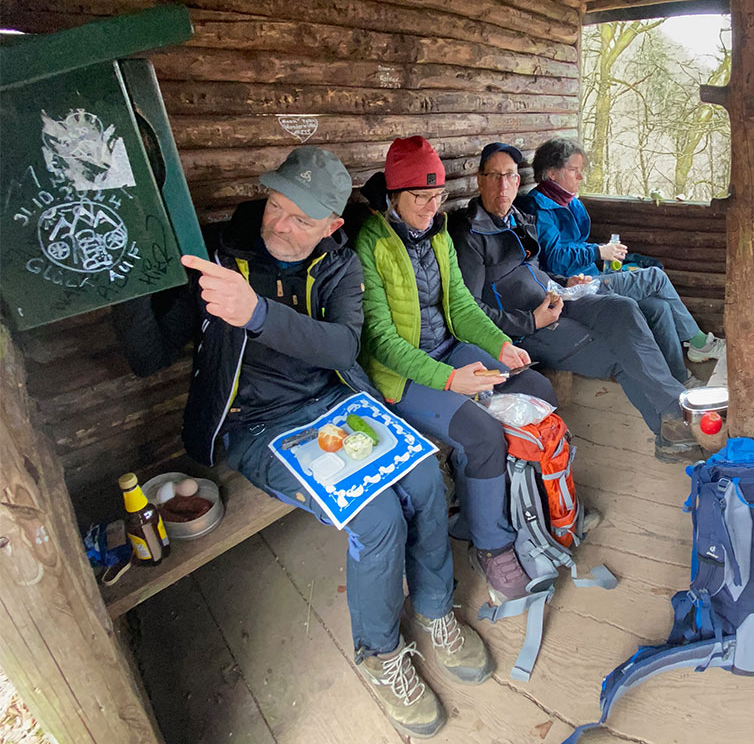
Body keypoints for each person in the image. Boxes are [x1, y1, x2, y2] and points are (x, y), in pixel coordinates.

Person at [115, 146, 486, 738]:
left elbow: (342, 348)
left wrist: (256, 311)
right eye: (276, 206)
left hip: (333, 403)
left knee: (421, 478)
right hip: (256, 424)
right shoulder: (219, 254)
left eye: (301, 219)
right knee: (377, 517)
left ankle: (437, 610)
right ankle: (380, 655)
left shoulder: (341, 262)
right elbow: (147, 356)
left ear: (333, 225)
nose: (280, 226)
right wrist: (130, 273)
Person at [353, 135, 566, 614]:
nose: (433, 207)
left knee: (536, 388)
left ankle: (499, 504)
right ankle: (491, 545)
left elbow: (464, 306)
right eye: (420, 198)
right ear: (393, 196)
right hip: (399, 377)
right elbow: (381, 343)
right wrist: (452, 381)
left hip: (449, 349)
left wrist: (501, 344)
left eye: (438, 196)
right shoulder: (370, 245)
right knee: (482, 433)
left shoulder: (439, 233)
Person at [451, 142, 699, 461]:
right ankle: (674, 423)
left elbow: (537, 268)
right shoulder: (468, 234)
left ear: (517, 180)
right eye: (495, 176)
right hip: (527, 331)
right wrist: (531, 321)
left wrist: (564, 282)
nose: (503, 185)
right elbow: (470, 308)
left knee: (624, 309)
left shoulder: (518, 219)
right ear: (480, 180)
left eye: (510, 176)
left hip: (559, 298)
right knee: (620, 352)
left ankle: (674, 420)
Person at [518, 137, 724, 383]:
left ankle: (680, 380)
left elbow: (577, 244)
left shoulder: (569, 201)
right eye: (574, 171)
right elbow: (554, 259)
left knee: (659, 308)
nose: (580, 177)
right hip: (573, 287)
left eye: (580, 171)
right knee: (656, 277)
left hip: (591, 274)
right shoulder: (538, 208)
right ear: (551, 173)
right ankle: (698, 342)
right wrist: (598, 252)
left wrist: (603, 253)